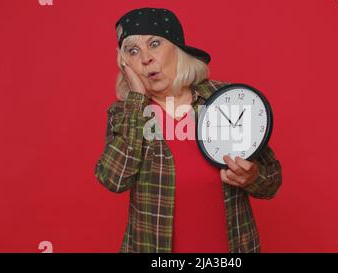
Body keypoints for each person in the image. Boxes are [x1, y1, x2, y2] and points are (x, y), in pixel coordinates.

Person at [94, 7, 282, 253]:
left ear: (178, 49)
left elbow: (272, 181)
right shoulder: (124, 114)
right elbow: (114, 179)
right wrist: (137, 100)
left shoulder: (226, 100)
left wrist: (253, 177)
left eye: (154, 44)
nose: (145, 58)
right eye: (132, 51)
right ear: (125, 65)